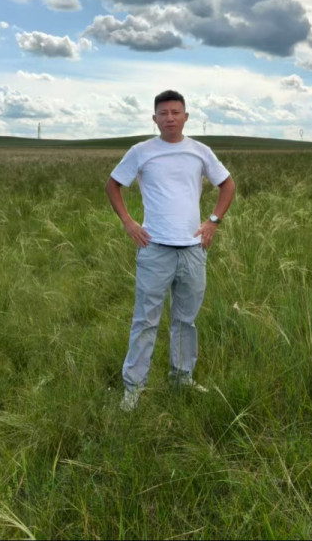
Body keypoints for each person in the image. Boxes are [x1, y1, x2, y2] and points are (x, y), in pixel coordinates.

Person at [105, 90, 236, 411]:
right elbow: (113, 184)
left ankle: (182, 378)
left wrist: (213, 222)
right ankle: (134, 387)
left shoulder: (200, 152)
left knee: (185, 320)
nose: (170, 118)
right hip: (154, 248)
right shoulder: (141, 152)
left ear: (186, 117)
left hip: (193, 249)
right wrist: (128, 222)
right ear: (154, 119)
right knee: (145, 320)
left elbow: (227, 184)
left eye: (176, 112)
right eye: (163, 113)